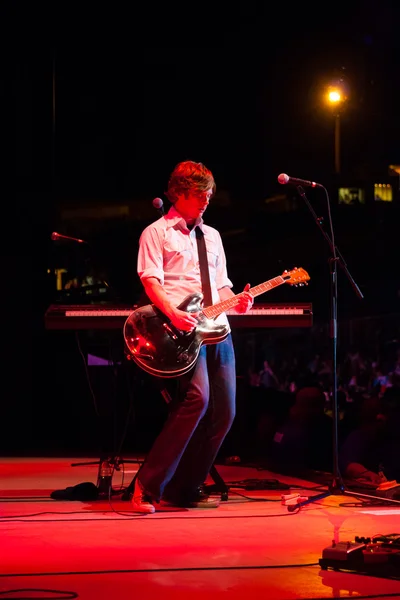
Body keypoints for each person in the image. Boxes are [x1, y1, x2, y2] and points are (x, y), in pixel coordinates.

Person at [131, 160, 254, 513]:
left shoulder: (213, 236)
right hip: (182, 330)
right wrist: (172, 313)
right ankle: (146, 486)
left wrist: (239, 301)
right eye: (201, 194)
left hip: (219, 330)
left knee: (226, 413)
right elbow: (151, 281)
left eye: (210, 194)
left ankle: (184, 487)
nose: (207, 200)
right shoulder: (156, 232)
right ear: (180, 193)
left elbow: (223, 284)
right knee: (196, 401)